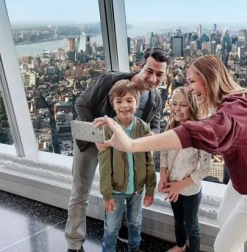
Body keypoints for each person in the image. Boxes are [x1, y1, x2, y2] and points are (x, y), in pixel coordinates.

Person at [94, 54, 247, 252]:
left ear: (209, 78)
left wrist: (130, 144)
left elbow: (191, 133)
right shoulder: (240, 97)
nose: (189, 88)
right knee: (225, 220)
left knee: (223, 245)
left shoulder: (228, 115)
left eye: (192, 81)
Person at [65, 48, 170, 252]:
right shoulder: (110, 80)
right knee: (80, 193)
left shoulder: (155, 99)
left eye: (159, 74)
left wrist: (147, 138)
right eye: (150, 71)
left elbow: (155, 126)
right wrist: (98, 136)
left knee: (124, 188)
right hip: (92, 143)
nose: (153, 78)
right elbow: (82, 104)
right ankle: (74, 243)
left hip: (122, 149)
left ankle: (120, 230)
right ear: (140, 67)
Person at [99, 80, 156, 252]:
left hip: (137, 190)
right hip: (115, 191)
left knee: (135, 222)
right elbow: (104, 165)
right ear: (113, 106)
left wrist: (150, 189)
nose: (124, 105)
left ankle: (135, 248)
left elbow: (149, 160)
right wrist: (106, 194)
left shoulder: (143, 128)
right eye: (119, 101)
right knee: (111, 226)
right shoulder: (108, 130)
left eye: (129, 100)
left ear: (137, 103)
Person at [159, 87, 211, 252]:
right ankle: (180, 246)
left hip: (189, 190)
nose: (177, 109)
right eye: (174, 104)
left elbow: (205, 169)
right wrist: (162, 175)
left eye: (183, 105)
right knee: (177, 220)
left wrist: (179, 186)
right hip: (173, 185)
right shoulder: (171, 127)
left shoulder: (201, 134)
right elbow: (164, 151)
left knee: (191, 225)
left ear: (193, 106)